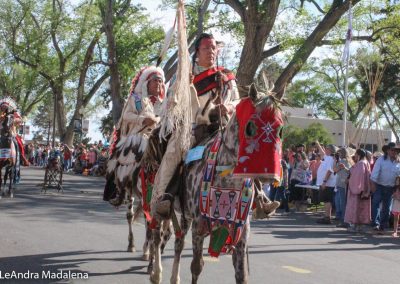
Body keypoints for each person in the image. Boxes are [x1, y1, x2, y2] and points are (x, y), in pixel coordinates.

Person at [153, 33, 240, 217]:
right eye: (207, 48)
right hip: (193, 129)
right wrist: (182, 90)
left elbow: (238, 101)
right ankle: (164, 197)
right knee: (174, 150)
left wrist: (229, 107)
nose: (211, 51)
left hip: (222, 128)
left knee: (245, 149)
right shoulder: (186, 75)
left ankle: (258, 196)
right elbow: (171, 101)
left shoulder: (227, 76)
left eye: (214, 48)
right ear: (197, 52)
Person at [104, 66, 166, 203]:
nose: (159, 84)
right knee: (135, 147)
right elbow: (126, 115)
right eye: (155, 80)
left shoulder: (164, 104)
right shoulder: (136, 99)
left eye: (161, 81)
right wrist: (143, 120)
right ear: (147, 83)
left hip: (158, 138)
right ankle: (119, 189)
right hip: (138, 136)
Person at [370, 142, 400, 233]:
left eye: (396, 150)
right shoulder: (381, 160)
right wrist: (373, 184)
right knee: (375, 204)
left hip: (391, 188)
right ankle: (376, 224)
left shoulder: (398, 162)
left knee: (387, 208)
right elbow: (374, 173)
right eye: (392, 150)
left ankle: (382, 226)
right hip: (379, 185)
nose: (394, 152)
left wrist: (397, 189)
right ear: (387, 150)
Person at [344, 149, 371, 233]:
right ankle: (360, 227)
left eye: (355, 154)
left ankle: (355, 226)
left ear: (359, 155)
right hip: (364, 189)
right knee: (361, 208)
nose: (354, 156)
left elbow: (358, 177)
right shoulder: (366, 162)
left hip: (358, 190)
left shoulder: (361, 163)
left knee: (356, 207)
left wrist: (349, 181)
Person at [315, 142, 337, 224]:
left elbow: (329, 171)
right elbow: (322, 152)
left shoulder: (331, 159)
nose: (325, 149)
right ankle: (326, 216)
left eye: (327, 148)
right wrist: (318, 145)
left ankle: (327, 217)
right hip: (325, 183)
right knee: (325, 200)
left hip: (328, 183)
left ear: (330, 150)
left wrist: (324, 182)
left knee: (327, 200)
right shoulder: (327, 157)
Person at [334, 147, 353, 228]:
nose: (339, 155)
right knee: (341, 203)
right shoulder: (349, 161)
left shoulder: (343, 161)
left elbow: (335, 170)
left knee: (342, 203)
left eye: (340, 153)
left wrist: (339, 165)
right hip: (342, 184)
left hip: (342, 184)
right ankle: (345, 220)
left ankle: (344, 221)